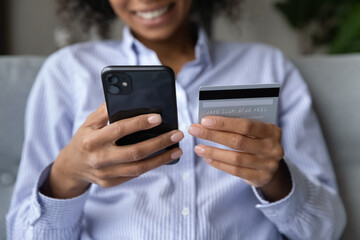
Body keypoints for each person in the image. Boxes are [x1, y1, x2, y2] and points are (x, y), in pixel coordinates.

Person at [7, 0, 346, 239]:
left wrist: (275, 178)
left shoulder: (269, 66)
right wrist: (66, 176)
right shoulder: (67, 72)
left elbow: (325, 230)